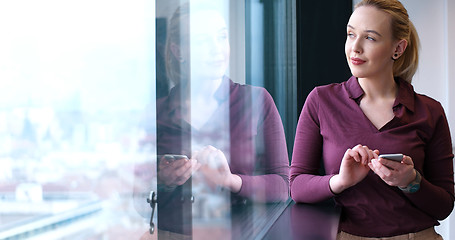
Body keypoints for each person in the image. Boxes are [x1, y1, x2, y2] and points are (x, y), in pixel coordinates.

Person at [290, 0, 454, 239]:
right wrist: (340, 181)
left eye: (370, 38)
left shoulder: (430, 111)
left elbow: (444, 206)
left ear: (397, 48)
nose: (354, 47)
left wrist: (411, 181)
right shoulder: (320, 101)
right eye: (350, 34)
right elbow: (296, 186)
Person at [136, 2, 290, 238]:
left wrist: (230, 180)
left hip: (240, 235)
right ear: (179, 51)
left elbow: (284, 186)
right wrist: (162, 179)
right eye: (201, 40)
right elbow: (134, 196)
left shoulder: (258, 101)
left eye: (221, 37)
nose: (216, 49)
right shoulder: (155, 113)